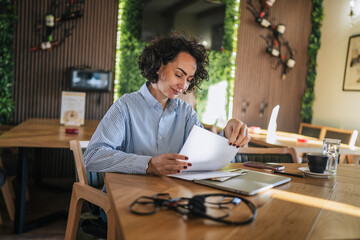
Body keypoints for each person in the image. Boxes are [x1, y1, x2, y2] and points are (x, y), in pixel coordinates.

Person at [84, 32, 250, 177]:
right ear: (158, 66)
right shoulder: (125, 107)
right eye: (179, 75)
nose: (183, 86)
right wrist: (148, 164)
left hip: (171, 196)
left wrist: (228, 134)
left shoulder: (186, 113)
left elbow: (204, 156)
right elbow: (93, 157)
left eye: (189, 79)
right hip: (126, 198)